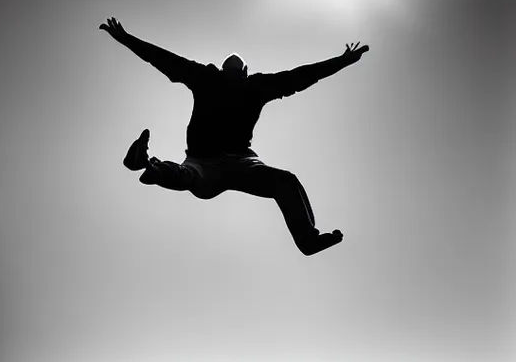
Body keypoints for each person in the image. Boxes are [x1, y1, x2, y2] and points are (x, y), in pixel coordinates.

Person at [102, 17, 364, 255]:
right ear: (244, 73)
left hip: (206, 160)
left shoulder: (207, 77)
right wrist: (342, 61)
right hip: (240, 163)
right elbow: (300, 77)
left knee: (189, 176)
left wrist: (125, 38)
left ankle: (150, 166)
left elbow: (163, 59)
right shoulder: (254, 86)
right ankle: (308, 240)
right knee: (285, 182)